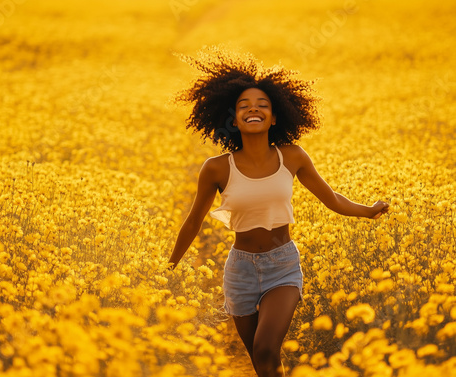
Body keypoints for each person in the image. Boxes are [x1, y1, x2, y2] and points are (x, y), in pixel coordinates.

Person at [167, 47, 389, 377]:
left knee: (266, 347)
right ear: (232, 119)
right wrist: (168, 265)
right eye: (244, 106)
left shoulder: (293, 156)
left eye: (262, 106)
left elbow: (331, 198)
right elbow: (193, 222)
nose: (253, 110)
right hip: (240, 270)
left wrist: (367, 211)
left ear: (274, 117)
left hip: (282, 266)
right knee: (264, 363)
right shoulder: (216, 168)